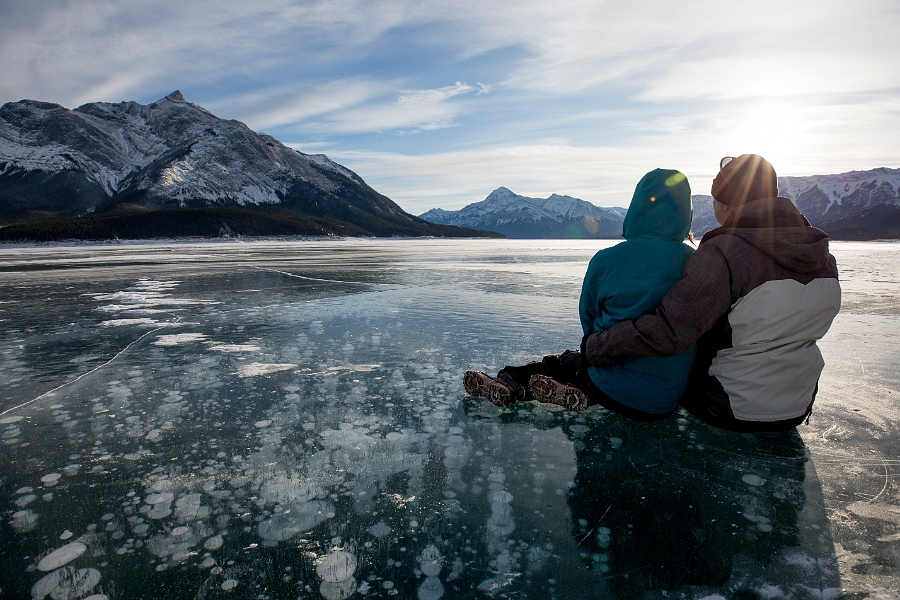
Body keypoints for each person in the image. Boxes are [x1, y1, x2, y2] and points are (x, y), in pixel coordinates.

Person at [582, 154, 841, 431]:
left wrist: (598, 346)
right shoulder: (822, 257)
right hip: (796, 405)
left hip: (726, 406)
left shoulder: (725, 254)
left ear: (725, 202)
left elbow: (672, 331)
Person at [464, 168, 697, 421]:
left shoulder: (606, 260)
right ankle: (578, 391)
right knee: (585, 366)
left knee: (565, 361)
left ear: (636, 210)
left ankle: (511, 382)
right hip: (667, 397)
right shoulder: (696, 263)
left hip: (611, 385)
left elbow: (589, 319)